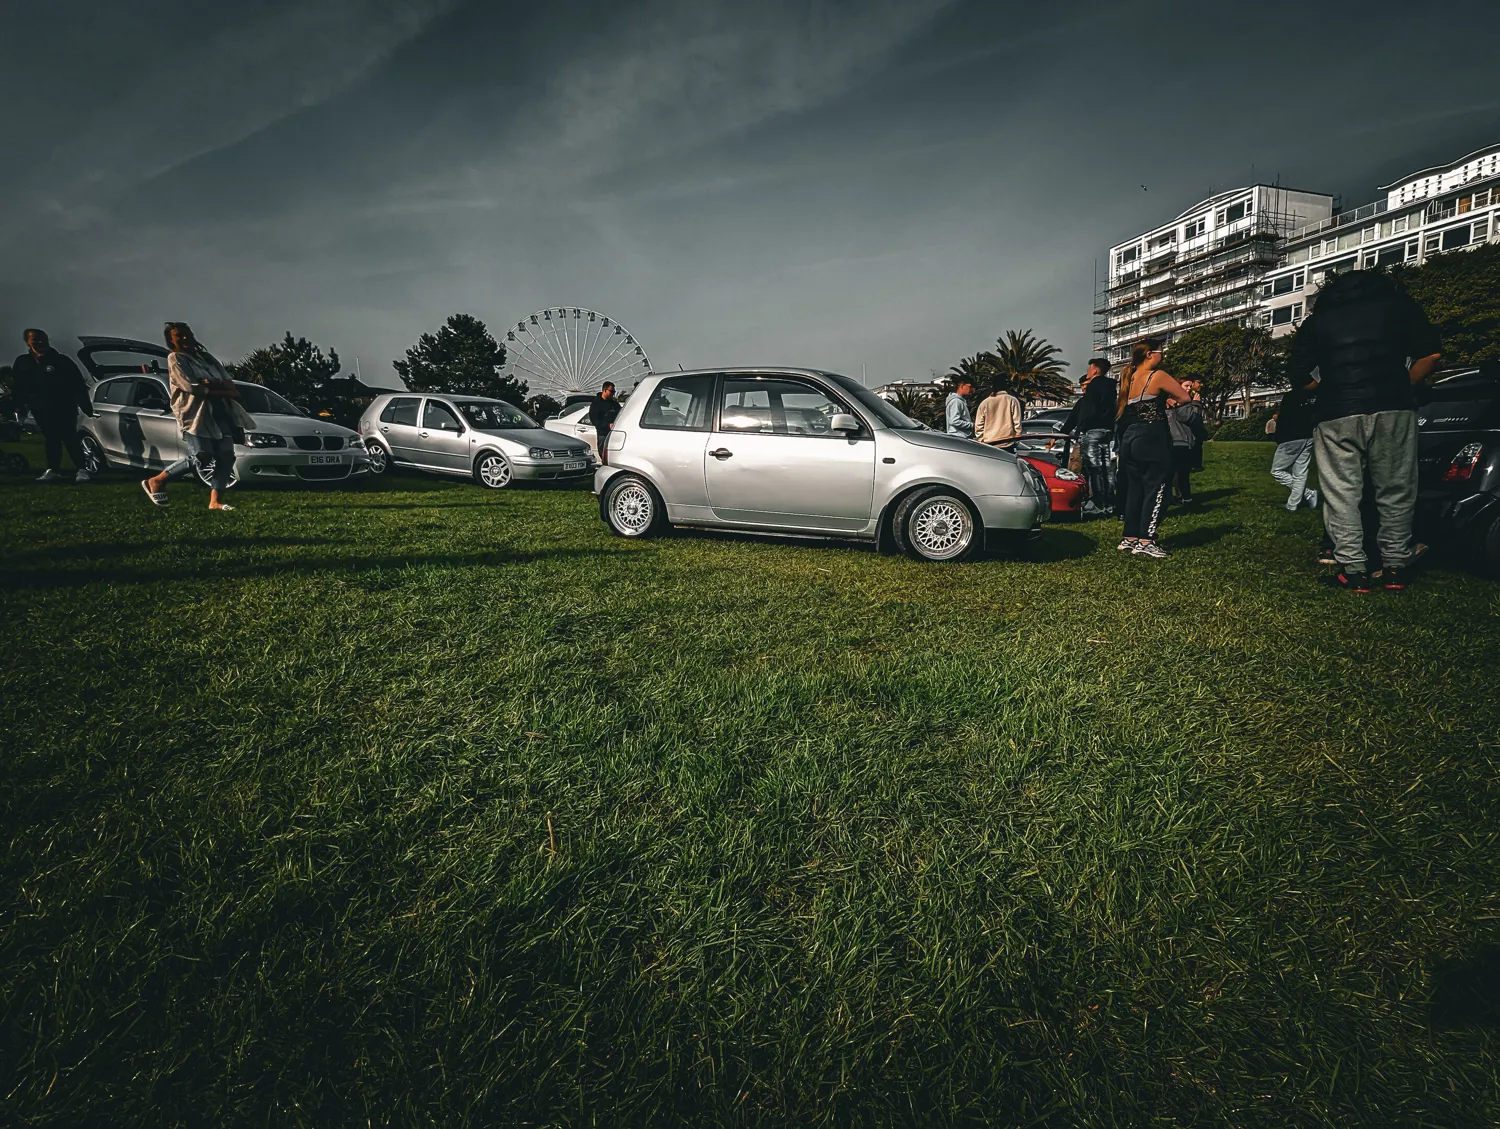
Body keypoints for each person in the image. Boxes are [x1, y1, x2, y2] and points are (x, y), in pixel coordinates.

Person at [1285, 270, 1442, 591]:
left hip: (1336, 411)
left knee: (1341, 492)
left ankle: (1354, 569)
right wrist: (1402, 385)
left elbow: (1298, 374)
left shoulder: (1319, 320)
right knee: (1396, 488)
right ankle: (1395, 565)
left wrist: (1329, 389)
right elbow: (1430, 355)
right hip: (1393, 407)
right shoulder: (1400, 307)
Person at [140, 323, 254, 510]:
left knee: (226, 456)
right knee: (202, 456)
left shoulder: (207, 358)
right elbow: (191, 387)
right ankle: (157, 480)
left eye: (187, 334)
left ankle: (215, 501)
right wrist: (221, 389)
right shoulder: (175, 358)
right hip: (195, 415)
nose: (184, 338)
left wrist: (212, 384)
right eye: (178, 336)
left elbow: (229, 383)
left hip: (221, 412)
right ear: (171, 340)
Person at [1115, 338, 1193, 558]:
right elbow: (1184, 397)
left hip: (1130, 436)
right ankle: (1146, 540)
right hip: (1152, 436)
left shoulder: (1129, 377)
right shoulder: (1157, 375)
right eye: (1161, 351)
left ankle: (1130, 537)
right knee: (1157, 488)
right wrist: (1169, 401)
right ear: (1150, 354)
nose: (1163, 355)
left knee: (1135, 488)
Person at [11, 329, 95, 482]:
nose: (39, 342)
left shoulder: (61, 361)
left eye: (42, 339)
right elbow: (18, 386)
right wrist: (18, 405)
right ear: (28, 342)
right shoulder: (23, 362)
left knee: (69, 437)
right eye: (35, 339)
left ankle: (82, 470)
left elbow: (78, 385)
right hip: (40, 408)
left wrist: (86, 407)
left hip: (64, 407)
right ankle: (53, 470)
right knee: (51, 438)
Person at [1061, 357, 1117, 517]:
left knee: (1094, 469)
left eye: (1089, 369)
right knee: (1107, 468)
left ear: (1095, 370)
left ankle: (1098, 504)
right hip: (1107, 430)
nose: (1088, 372)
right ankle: (1109, 503)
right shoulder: (1112, 386)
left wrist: (1083, 428)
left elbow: (1089, 411)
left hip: (1092, 431)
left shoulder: (1094, 387)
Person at [1267, 382, 1320, 513]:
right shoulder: (1314, 397)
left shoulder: (1291, 396)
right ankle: (1292, 505)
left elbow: (1285, 418)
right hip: (1308, 435)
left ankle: (1307, 493)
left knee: (1277, 471)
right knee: (1300, 473)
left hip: (1291, 437)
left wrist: (1279, 437)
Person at [1166, 384, 1208, 505]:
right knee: (1180, 472)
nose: (1189, 388)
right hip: (1178, 440)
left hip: (1180, 440)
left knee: (1179, 472)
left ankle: (1178, 497)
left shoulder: (1182, 403)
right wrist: (1196, 404)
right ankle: (1183, 497)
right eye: (1186, 385)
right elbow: (1190, 418)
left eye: (1190, 386)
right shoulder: (1178, 403)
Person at [973, 380, 1021, 449]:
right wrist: (1017, 436)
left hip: (989, 443)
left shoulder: (985, 403)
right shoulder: (1012, 400)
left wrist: (981, 440)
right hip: (1007, 442)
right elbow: (1017, 422)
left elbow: (978, 425)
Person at [588, 381, 621, 466]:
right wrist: (607, 425)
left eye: (614, 391)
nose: (613, 394)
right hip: (603, 433)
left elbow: (621, 413)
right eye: (611, 391)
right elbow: (594, 420)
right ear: (604, 390)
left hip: (615, 433)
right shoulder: (596, 404)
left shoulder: (614, 404)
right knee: (603, 453)